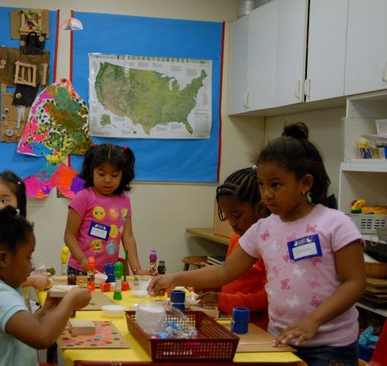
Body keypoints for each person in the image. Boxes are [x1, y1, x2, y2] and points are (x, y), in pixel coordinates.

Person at [149, 122, 366, 366]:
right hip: (279, 339)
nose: (266, 194)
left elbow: (354, 283)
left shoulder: (335, 224)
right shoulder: (264, 229)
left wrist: (314, 320)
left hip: (330, 346)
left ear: (305, 183)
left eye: (276, 185)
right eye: (262, 185)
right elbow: (224, 270)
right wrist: (176, 278)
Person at [0, 206, 91, 366]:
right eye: (28, 257)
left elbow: (14, 328)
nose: (30, 265)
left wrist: (43, 311)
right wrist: (71, 300)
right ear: (3, 259)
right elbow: (41, 337)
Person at [197, 167, 269, 330]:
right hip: (229, 319)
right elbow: (227, 274)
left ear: (260, 208)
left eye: (237, 215)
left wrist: (222, 300)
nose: (232, 223)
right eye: (227, 216)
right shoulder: (238, 237)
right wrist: (208, 288)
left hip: (254, 327)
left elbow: (266, 298)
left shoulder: (269, 244)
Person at [64, 143, 148, 275]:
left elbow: (128, 237)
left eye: (114, 175)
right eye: (101, 174)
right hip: (81, 270)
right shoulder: (84, 197)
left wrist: (137, 270)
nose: (107, 180)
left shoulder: (124, 200)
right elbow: (69, 236)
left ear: (122, 175)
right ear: (92, 171)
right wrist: (82, 260)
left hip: (109, 272)